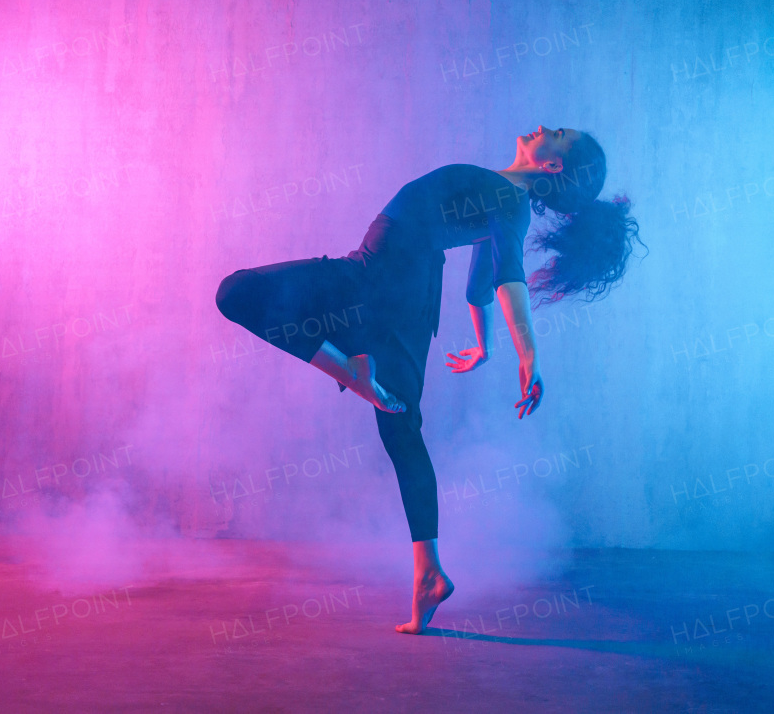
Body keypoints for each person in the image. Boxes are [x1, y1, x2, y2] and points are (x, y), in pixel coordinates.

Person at [216, 125, 641, 633]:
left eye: (559, 134)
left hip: (380, 277)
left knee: (237, 292)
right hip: (401, 292)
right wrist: (484, 346)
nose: (547, 127)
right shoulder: (502, 198)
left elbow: (508, 277)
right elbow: (481, 285)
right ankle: (428, 572)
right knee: (400, 428)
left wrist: (527, 353)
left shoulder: (509, 198)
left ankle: (350, 368)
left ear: (552, 165)